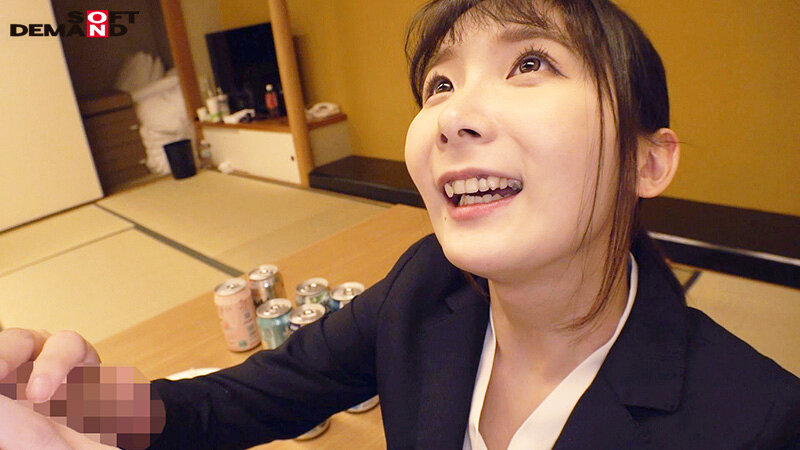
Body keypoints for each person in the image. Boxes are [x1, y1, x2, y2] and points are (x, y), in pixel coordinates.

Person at [1, 0, 798, 448]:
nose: (452, 116)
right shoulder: (426, 288)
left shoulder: (757, 421)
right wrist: (88, 415)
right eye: (439, 84)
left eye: (530, 63)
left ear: (646, 162)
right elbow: (246, 399)